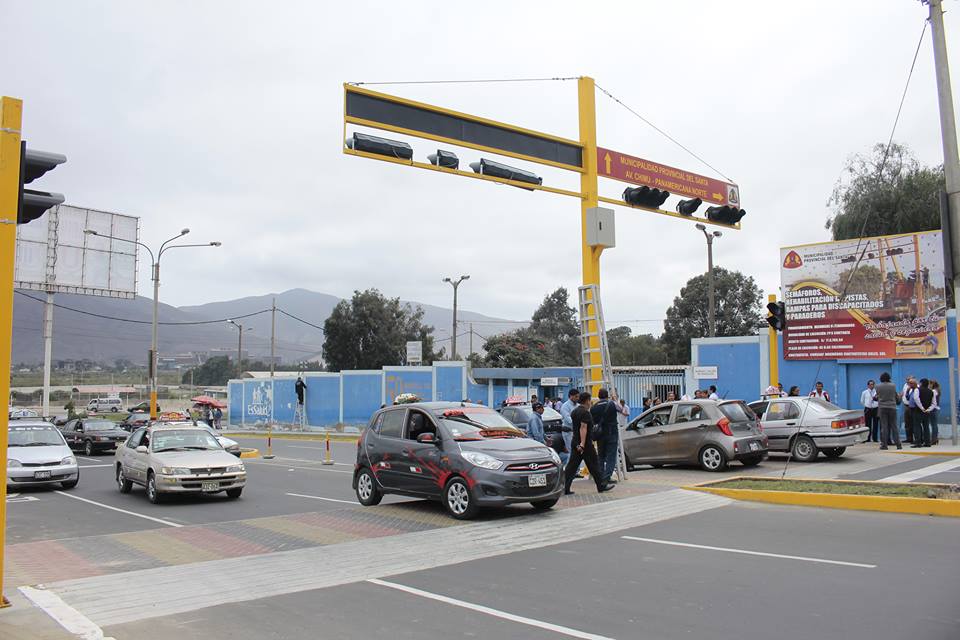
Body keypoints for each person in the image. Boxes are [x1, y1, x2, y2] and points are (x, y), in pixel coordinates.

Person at [563, 392, 614, 495]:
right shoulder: (585, 413)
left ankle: (565, 487)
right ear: (587, 400)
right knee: (594, 465)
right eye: (590, 400)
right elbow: (583, 427)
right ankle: (601, 486)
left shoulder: (575, 411)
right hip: (585, 445)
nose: (590, 403)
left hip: (575, 442)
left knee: (571, 467)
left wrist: (578, 443)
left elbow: (576, 428)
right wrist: (582, 443)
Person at [590, 388, 620, 484]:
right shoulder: (612, 404)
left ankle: (601, 475)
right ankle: (607, 477)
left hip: (600, 434)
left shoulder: (594, 407)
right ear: (607, 395)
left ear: (598, 396)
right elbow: (622, 409)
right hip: (612, 433)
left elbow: (592, 421)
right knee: (611, 456)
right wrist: (615, 400)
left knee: (601, 456)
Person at [876, 372, 901, 450]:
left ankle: (884, 444)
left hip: (882, 408)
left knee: (884, 427)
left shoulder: (878, 386)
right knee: (894, 426)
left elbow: (877, 396)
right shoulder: (893, 385)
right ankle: (898, 444)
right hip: (892, 407)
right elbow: (895, 395)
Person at [559, 389, 579, 460]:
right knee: (572, 452)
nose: (577, 398)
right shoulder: (565, 406)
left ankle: (575, 469)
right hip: (568, 432)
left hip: (577, 432)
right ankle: (569, 469)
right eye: (576, 397)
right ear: (571, 396)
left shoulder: (578, 406)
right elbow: (569, 420)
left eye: (578, 397)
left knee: (577, 452)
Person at [914, 378, 934, 448]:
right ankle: (927, 442)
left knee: (917, 426)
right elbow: (934, 403)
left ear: (921, 383)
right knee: (926, 427)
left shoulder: (917, 390)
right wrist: (928, 409)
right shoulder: (931, 391)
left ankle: (918, 443)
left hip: (918, 411)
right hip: (927, 411)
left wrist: (922, 408)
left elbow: (916, 399)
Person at [902, 377, 918, 444]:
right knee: (907, 423)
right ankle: (909, 438)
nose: (908, 381)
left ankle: (916, 438)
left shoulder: (916, 387)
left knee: (914, 423)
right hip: (906, 405)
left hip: (912, 407)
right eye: (907, 380)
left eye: (909, 380)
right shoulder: (905, 385)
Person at [929, 379, 941, 445]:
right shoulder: (937, 390)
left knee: (934, 424)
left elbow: (932, 400)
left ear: (932, 384)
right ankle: (935, 438)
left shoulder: (933, 391)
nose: (929, 385)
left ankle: (934, 439)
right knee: (934, 424)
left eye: (930, 384)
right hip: (936, 408)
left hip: (933, 409)